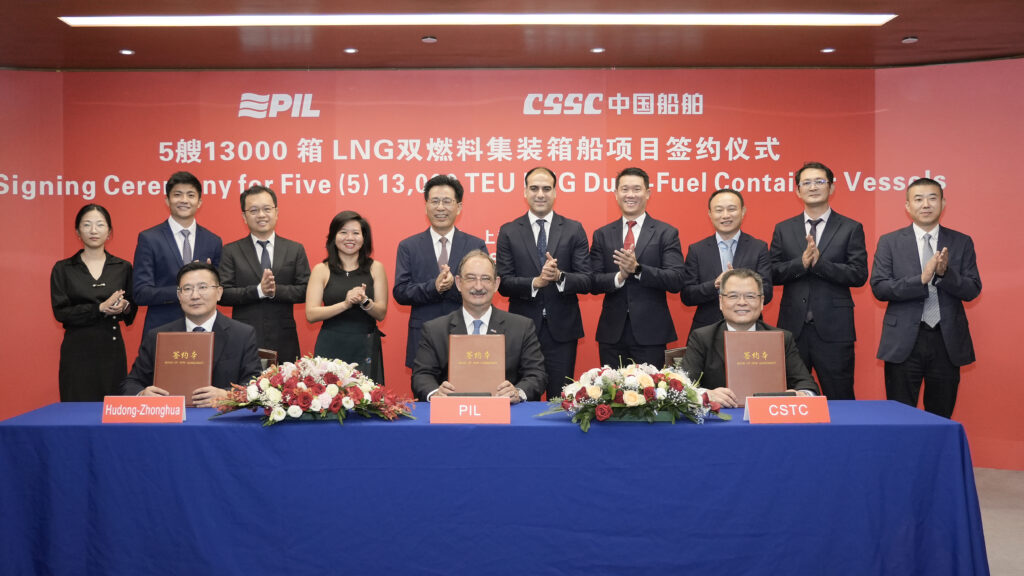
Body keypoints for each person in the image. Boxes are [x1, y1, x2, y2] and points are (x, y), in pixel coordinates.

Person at [870, 178, 981, 418]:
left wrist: (945, 274)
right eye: (918, 199)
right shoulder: (890, 242)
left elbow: (972, 289)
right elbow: (880, 287)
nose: (926, 204)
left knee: (940, 416)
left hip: (946, 341)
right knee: (900, 417)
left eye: (932, 198)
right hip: (903, 341)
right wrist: (921, 279)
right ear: (908, 206)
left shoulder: (961, 242)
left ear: (943, 203)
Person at [769, 162, 867, 400]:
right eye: (807, 183)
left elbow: (858, 274)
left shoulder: (850, 227)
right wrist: (800, 264)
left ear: (831, 188)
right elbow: (772, 272)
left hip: (835, 330)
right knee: (791, 397)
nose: (813, 187)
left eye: (820, 182)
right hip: (793, 330)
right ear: (798, 190)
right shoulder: (783, 228)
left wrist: (820, 264)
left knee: (840, 398)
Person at [496, 167, 591, 397]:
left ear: (555, 192)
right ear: (525, 192)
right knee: (522, 397)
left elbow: (587, 279)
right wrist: (535, 282)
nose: (540, 194)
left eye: (546, 189)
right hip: (522, 330)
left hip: (562, 331)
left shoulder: (573, 229)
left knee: (560, 400)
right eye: (534, 188)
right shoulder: (509, 231)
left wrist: (559, 277)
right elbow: (503, 283)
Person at [120, 262, 262, 407]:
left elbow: (255, 385)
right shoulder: (157, 336)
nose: (195, 296)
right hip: (171, 417)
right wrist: (142, 394)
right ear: (179, 295)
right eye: (187, 289)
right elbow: (131, 383)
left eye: (203, 287)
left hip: (220, 416)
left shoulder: (242, 334)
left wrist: (227, 395)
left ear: (219, 293)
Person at [412, 250, 546, 402]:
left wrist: (517, 393)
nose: (478, 286)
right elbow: (421, 375)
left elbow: (537, 375)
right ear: (458, 283)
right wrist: (436, 393)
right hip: (453, 412)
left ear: (496, 284)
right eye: (470, 278)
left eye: (486, 279)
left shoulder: (522, 327)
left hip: (507, 412)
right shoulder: (435, 329)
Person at [590, 167, 685, 367]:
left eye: (636, 189)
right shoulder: (602, 234)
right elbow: (593, 280)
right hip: (612, 334)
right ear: (616, 194)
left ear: (647, 193)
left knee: (651, 388)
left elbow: (676, 279)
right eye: (625, 189)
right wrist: (619, 276)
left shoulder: (666, 233)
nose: (630, 195)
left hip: (651, 334)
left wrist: (638, 269)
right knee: (609, 386)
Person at [681, 268, 818, 407]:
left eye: (750, 296)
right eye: (733, 296)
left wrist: (801, 395)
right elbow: (682, 386)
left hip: (769, 416)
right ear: (721, 302)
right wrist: (706, 395)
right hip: (721, 416)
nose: (742, 302)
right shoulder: (702, 338)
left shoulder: (781, 338)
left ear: (761, 301)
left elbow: (808, 386)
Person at [393, 174, 487, 369]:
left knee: (466, 387)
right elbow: (401, 292)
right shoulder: (408, 246)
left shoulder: (475, 245)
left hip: (465, 334)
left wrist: (454, 286)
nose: (440, 207)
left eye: (447, 201)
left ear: (458, 207)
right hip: (423, 337)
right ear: (426, 206)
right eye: (435, 201)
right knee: (425, 387)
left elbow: (484, 289)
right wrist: (433, 287)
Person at [50, 204, 137, 401]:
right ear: (77, 231)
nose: (93, 230)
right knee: (77, 408)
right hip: (77, 350)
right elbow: (61, 313)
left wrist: (124, 306)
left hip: (111, 350)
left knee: (112, 408)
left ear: (109, 231)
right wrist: (99, 308)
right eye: (87, 224)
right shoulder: (63, 269)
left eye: (100, 224)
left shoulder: (122, 267)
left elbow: (132, 309)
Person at [219, 185, 310, 364]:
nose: (261, 215)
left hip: (284, 338)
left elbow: (306, 290)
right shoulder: (231, 251)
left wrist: (275, 291)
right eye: (254, 210)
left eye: (267, 209)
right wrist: (258, 291)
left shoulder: (294, 249)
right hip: (244, 336)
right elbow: (223, 294)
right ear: (244, 217)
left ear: (276, 212)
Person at [133, 171, 222, 334]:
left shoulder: (213, 241)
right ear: (167, 200)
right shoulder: (149, 238)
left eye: (190, 195)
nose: (184, 200)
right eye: (177, 194)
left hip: (202, 330)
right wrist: (185, 290)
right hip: (162, 330)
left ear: (199, 202)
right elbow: (141, 293)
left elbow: (217, 290)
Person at [305, 211, 388, 385]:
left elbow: (381, 313)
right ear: (333, 237)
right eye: (343, 232)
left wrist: (365, 302)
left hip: (365, 346)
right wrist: (345, 303)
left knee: (366, 397)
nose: (350, 238)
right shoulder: (321, 270)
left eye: (356, 233)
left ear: (364, 238)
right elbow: (311, 314)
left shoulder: (376, 268)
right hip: (330, 345)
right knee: (327, 397)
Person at [681, 188, 772, 335]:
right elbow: (687, 296)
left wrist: (741, 287)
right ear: (710, 214)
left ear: (743, 211)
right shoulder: (697, 250)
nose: (725, 215)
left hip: (748, 328)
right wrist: (715, 285)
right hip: (706, 331)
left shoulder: (758, 248)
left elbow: (767, 292)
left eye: (731, 209)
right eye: (719, 210)